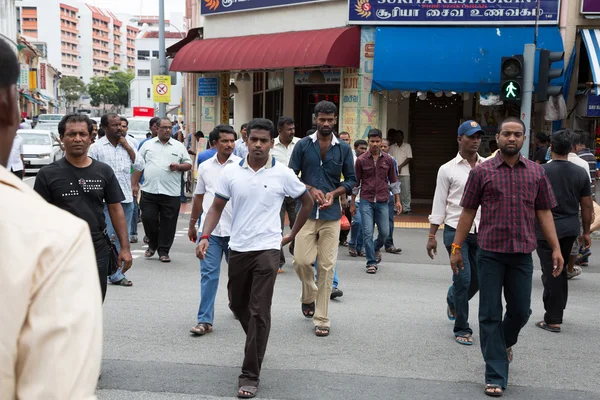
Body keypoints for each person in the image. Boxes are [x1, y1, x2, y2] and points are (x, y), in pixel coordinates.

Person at [0, 41, 102, 397]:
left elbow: (117, 206)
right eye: (71, 134)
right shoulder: (51, 236)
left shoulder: (101, 171)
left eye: (82, 134)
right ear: (10, 108)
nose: (77, 139)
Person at [197, 118, 313, 399]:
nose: (258, 145)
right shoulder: (231, 173)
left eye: (264, 140)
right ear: (246, 141)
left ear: (272, 143)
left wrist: (292, 234)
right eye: (254, 140)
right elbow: (215, 207)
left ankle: (250, 374)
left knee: (259, 311)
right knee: (237, 304)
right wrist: (204, 235)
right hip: (238, 248)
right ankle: (257, 340)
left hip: (268, 249)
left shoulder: (283, 174)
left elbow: (306, 200)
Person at [450, 117, 563, 397]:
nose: (512, 138)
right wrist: (456, 248)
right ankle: (496, 374)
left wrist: (557, 248)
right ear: (497, 138)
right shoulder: (482, 172)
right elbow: (467, 212)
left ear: (524, 139)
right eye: (506, 134)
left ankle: (503, 342)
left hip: (522, 254)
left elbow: (544, 212)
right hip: (489, 254)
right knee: (489, 314)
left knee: (521, 311)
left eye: (517, 134)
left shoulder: (537, 172)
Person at [289, 100, 356, 337]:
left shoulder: (344, 149)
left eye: (330, 120)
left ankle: (323, 319)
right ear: (315, 119)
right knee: (301, 261)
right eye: (322, 119)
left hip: (332, 216)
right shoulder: (303, 146)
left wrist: (334, 193)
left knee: (327, 267)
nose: (326, 123)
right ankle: (308, 295)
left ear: (335, 120)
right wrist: (310, 188)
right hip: (306, 214)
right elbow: (290, 177)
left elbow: (350, 180)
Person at [427, 120, 485, 346]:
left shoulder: (487, 166)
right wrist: (432, 235)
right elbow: (439, 203)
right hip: (454, 231)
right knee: (463, 279)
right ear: (460, 139)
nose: (476, 141)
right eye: (471, 136)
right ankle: (461, 326)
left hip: (482, 231)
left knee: (477, 281)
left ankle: (452, 299)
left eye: (479, 136)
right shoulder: (447, 169)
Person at [534, 129, 592, 334]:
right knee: (561, 270)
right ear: (571, 149)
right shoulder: (580, 172)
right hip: (570, 228)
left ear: (551, 148)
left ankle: (553, 319)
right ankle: (558, 310)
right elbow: (586, 205)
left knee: (551, 272)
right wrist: (586, 232)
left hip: (544, 229)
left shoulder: (541, 171)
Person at [188, 125, 240, 336]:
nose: (229, 145)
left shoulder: (241, 166)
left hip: (237, 231)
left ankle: (237, 304)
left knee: (238, 275)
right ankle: (205, 320)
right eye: (225, 141)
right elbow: (199, 196)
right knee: (208, 275)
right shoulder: (206, 166)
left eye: (232, 141)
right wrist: (193, 223)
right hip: (210, 232)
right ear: (214, 143)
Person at [89, 113, 144, 286]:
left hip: (126, 199)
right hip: (104, 201)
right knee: (105, 238)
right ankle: (101, 272)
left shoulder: (129, 144)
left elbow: (140, 165)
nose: (119, 128)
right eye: (114, 125)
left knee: (123, 237)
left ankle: (117, 274)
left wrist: (127, 147)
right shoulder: (96, 148)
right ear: (104, 128)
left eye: (120, 125)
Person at [139, 117, 192, 262]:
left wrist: (178, 167)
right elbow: (138, 165)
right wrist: (134, 184)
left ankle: (164, 251)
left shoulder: (178, 146)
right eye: (165, 127)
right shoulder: (147, 145)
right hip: (149, 190)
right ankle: (153, 243)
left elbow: (188, 164)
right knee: (148, 218)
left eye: (170, 127)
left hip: (171, 191)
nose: (168, 130)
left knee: (169, 223)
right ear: (157, 128)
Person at [352, 129, 401, 274]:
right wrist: (352, 204)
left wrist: (398, 200)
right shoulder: (361, 160)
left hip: (383, 200)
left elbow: (394, 181)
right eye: (372, 141)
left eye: (377, 141)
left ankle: (373, 248)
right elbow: (356, 183)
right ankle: (371, 262)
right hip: (366, 200)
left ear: (381, 142)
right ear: (368, 141)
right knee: (367, 232)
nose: (375, 144)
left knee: (385, 232)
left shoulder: (388, 160)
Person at [271, 116, 300, 271]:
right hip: (278, 193)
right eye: (289, 129)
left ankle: (295, 248)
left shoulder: (300, 144)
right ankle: (279, 261)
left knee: (299, 225)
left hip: (297, 192)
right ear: (280, 130)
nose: (292, 132)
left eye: (293, 129)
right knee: (277, 227)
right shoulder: (271, 146)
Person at [574, 130, 596, 267]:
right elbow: (593, 180)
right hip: (590, 195)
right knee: (585, 227)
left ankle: (580, 253)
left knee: (581, 228)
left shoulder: (581, 159)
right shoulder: (592, 156)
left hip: (583, 198)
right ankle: (584, 254)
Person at [380, 138, 402, 254]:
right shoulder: (367, 159)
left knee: (389, 221)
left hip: (388, 194)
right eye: (381, 146)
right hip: (371, 195)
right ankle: (366, 245)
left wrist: (397, 199)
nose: (383, 148)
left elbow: (394, 180)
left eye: (385, 146)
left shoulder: (392, 160)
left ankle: (389, 244)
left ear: (389, 148)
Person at [348, 139, 368, 257]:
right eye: (361, 148)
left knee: (365, 223)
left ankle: (361, 247)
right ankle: (352, 243)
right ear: (355, 148)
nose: (363, 151)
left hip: (366, 198)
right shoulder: (350, 161)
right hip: (354, 198)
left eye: (365, 149)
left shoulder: (368, 160)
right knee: (357, 222)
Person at [388, 129, 413, 214]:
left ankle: (407, 208)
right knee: (394, 190)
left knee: (406, 191)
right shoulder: (391, 147)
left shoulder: (407, 146)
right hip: (394, 173)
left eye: (399, 136)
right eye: (396, 136)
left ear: (403, 137)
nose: (397, 137)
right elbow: (389, 158)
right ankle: (395, 208)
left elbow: (409, 158)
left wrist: (400, 166)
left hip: (405, 173)